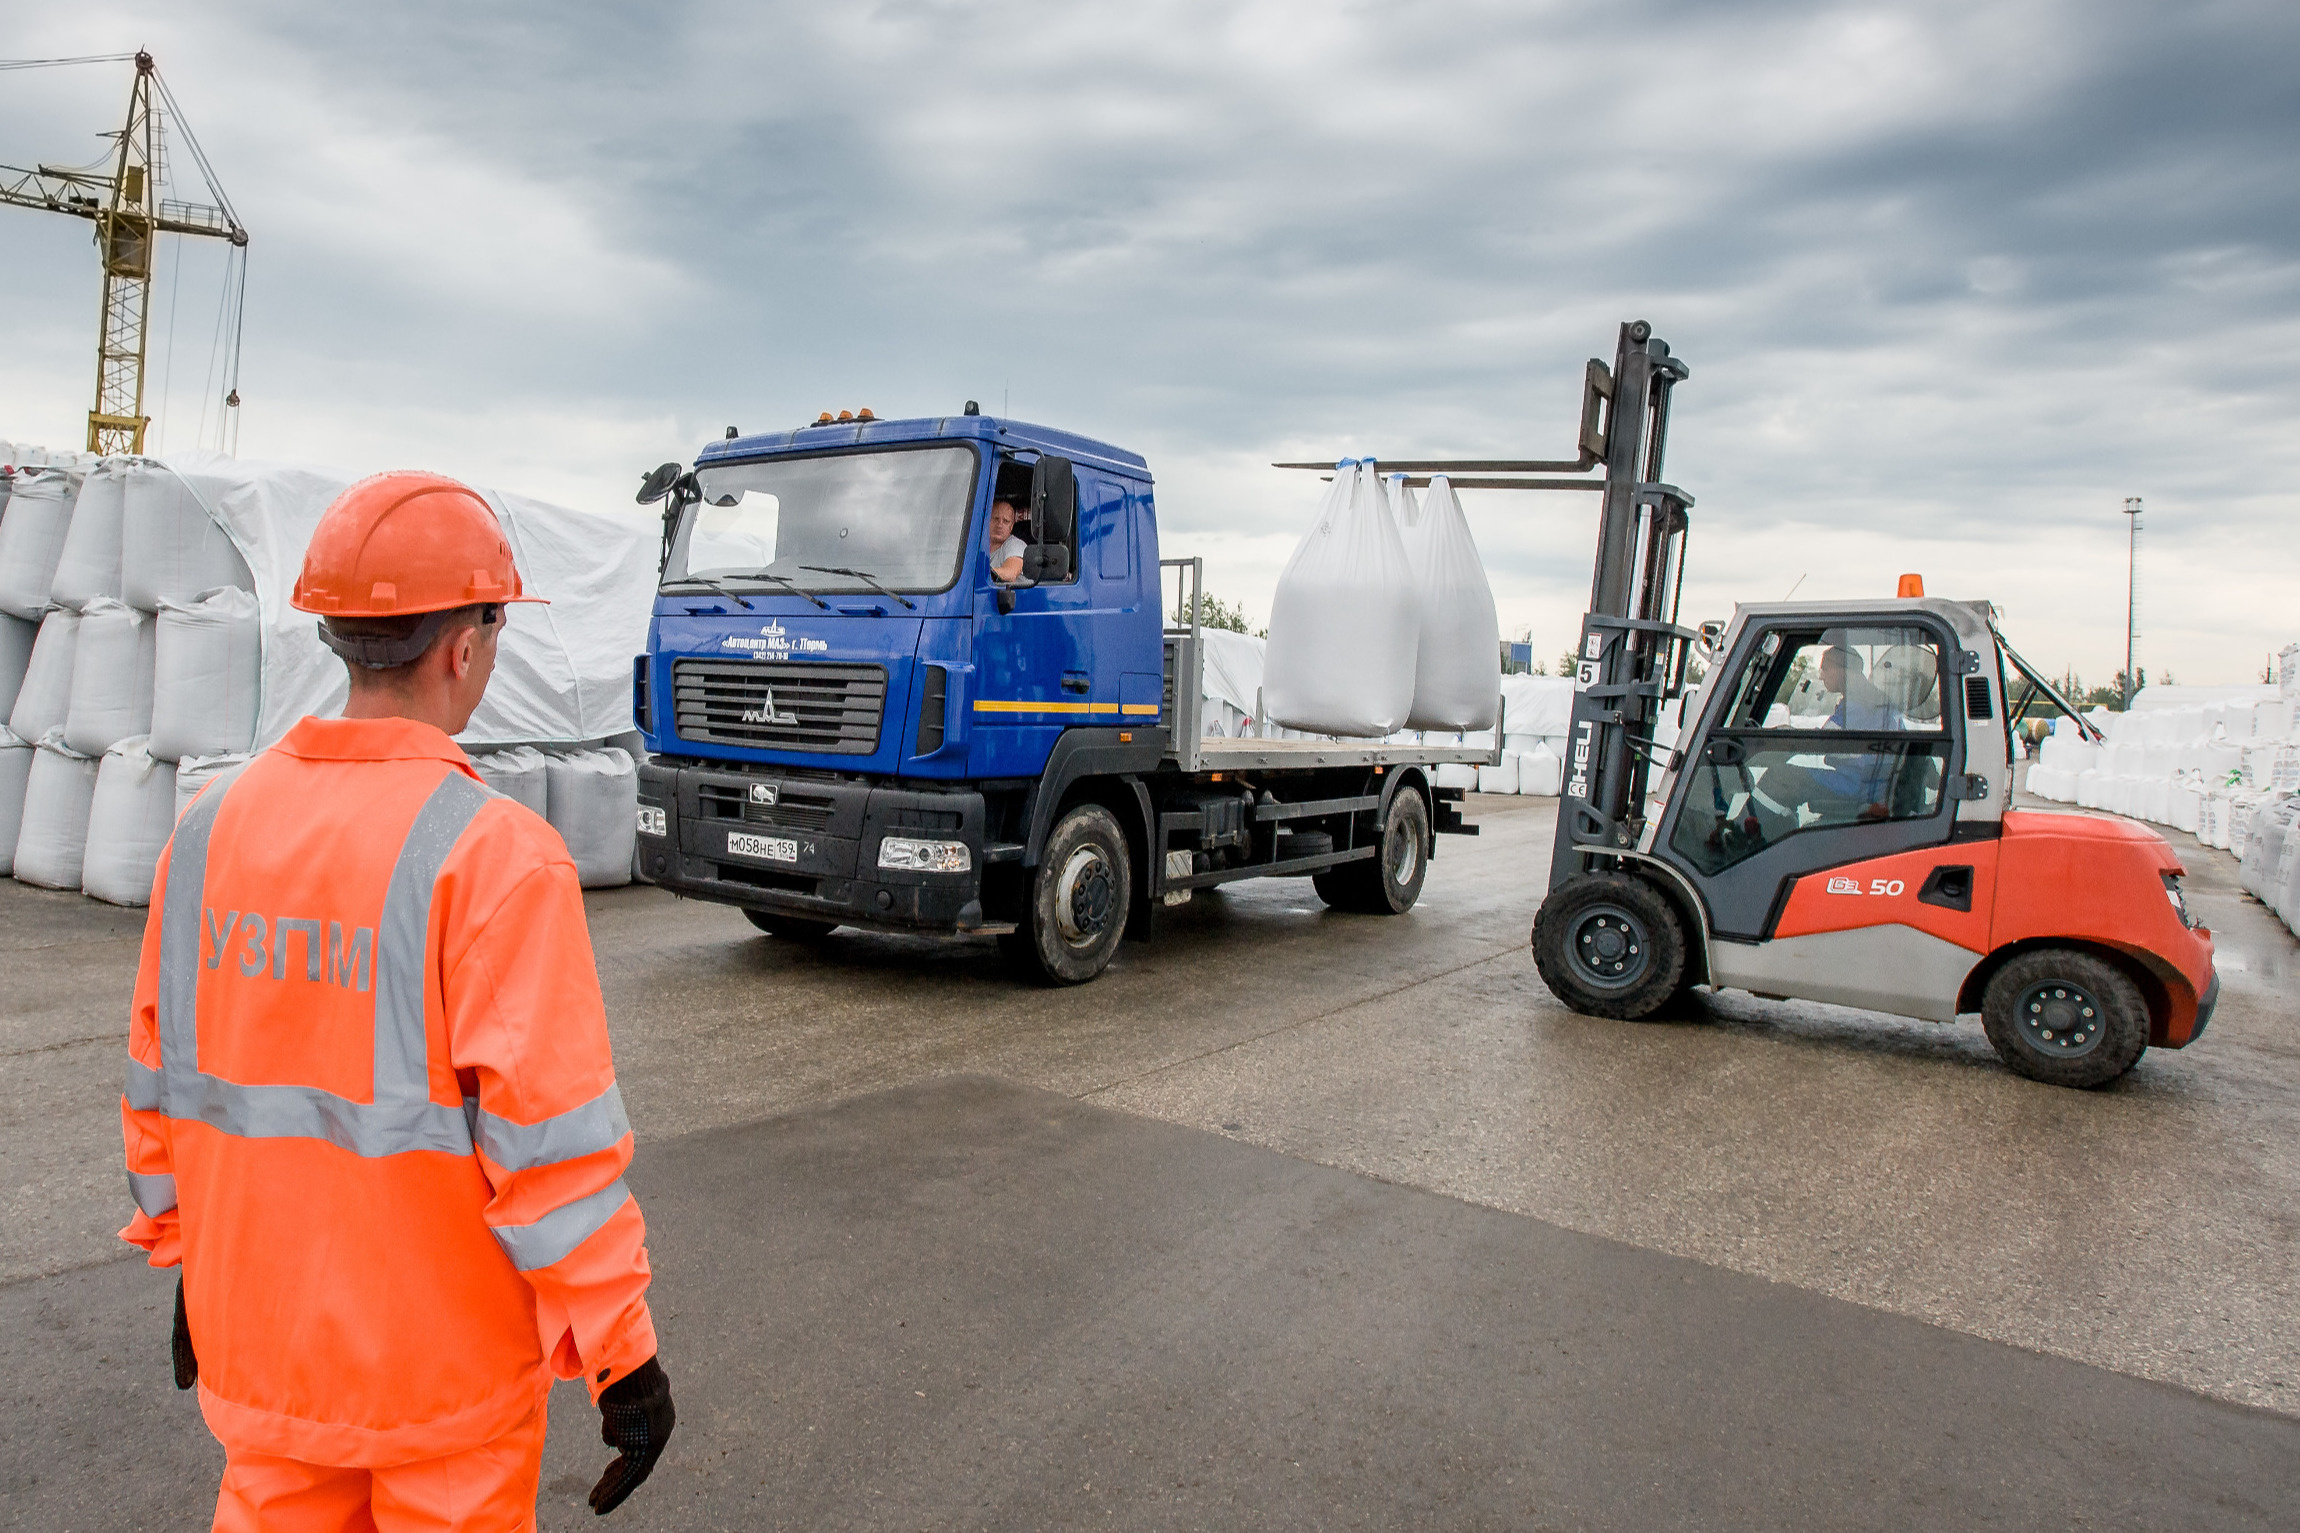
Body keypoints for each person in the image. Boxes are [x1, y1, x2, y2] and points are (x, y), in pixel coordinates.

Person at [118, 471, 674, 1530]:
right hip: (444, 1392)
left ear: (336, 636)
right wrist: (621, 1356)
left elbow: (161, 1088)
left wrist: (186, 1258)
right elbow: (550, 1153)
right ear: (465, 646)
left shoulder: (206, 830)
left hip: (266, 1358)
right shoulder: (493, 855)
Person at [986, 498, 1026, 583]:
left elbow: (1010, 574)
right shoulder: (977, 545)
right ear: (987, 521)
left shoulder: (1015, 544)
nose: (1000, 525)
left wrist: (978, 575)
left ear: (1011, 527)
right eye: (996, 519)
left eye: (1005, 521)